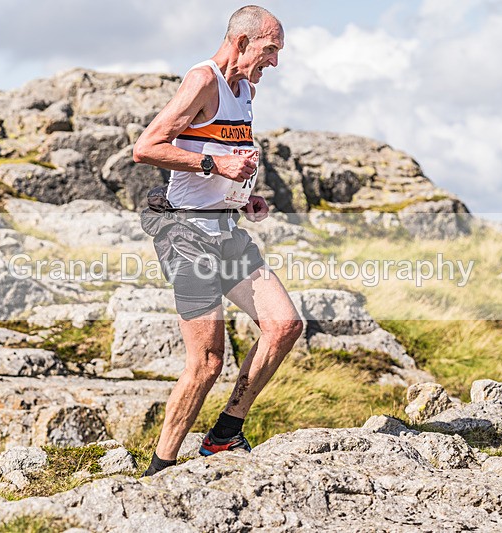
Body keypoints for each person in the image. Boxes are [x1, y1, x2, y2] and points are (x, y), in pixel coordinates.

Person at [132, 5, 303, 477]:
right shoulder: (202, 81)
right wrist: (214, 166)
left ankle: (224, 434)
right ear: (241, 42)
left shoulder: (245, 89)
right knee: (207, 362)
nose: (275, 62)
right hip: (185, 234)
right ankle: (159, 469)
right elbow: (146, 147)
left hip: (226, 228)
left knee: (284, 324)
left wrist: (244, 196)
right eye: (271, 50)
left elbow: (225, 152)